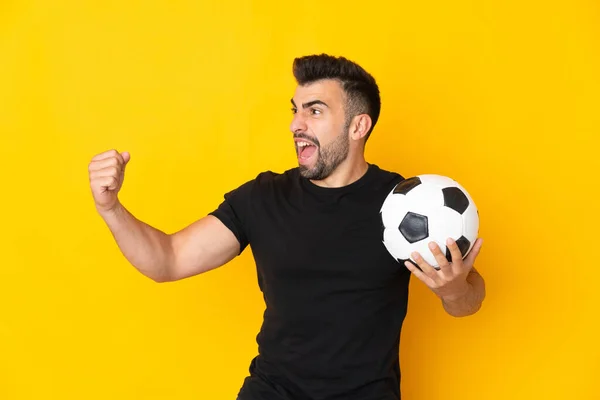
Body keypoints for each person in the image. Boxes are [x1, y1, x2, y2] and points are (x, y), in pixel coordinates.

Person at [88, 54, 486, 400]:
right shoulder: (263, 198)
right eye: (294, 109)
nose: (297, 124)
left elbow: (470, 298)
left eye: (314, 110)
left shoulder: (409, 204)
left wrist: (454, 292)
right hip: (272, 393)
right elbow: (168, 260)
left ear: (358, 126)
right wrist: (111, 208)